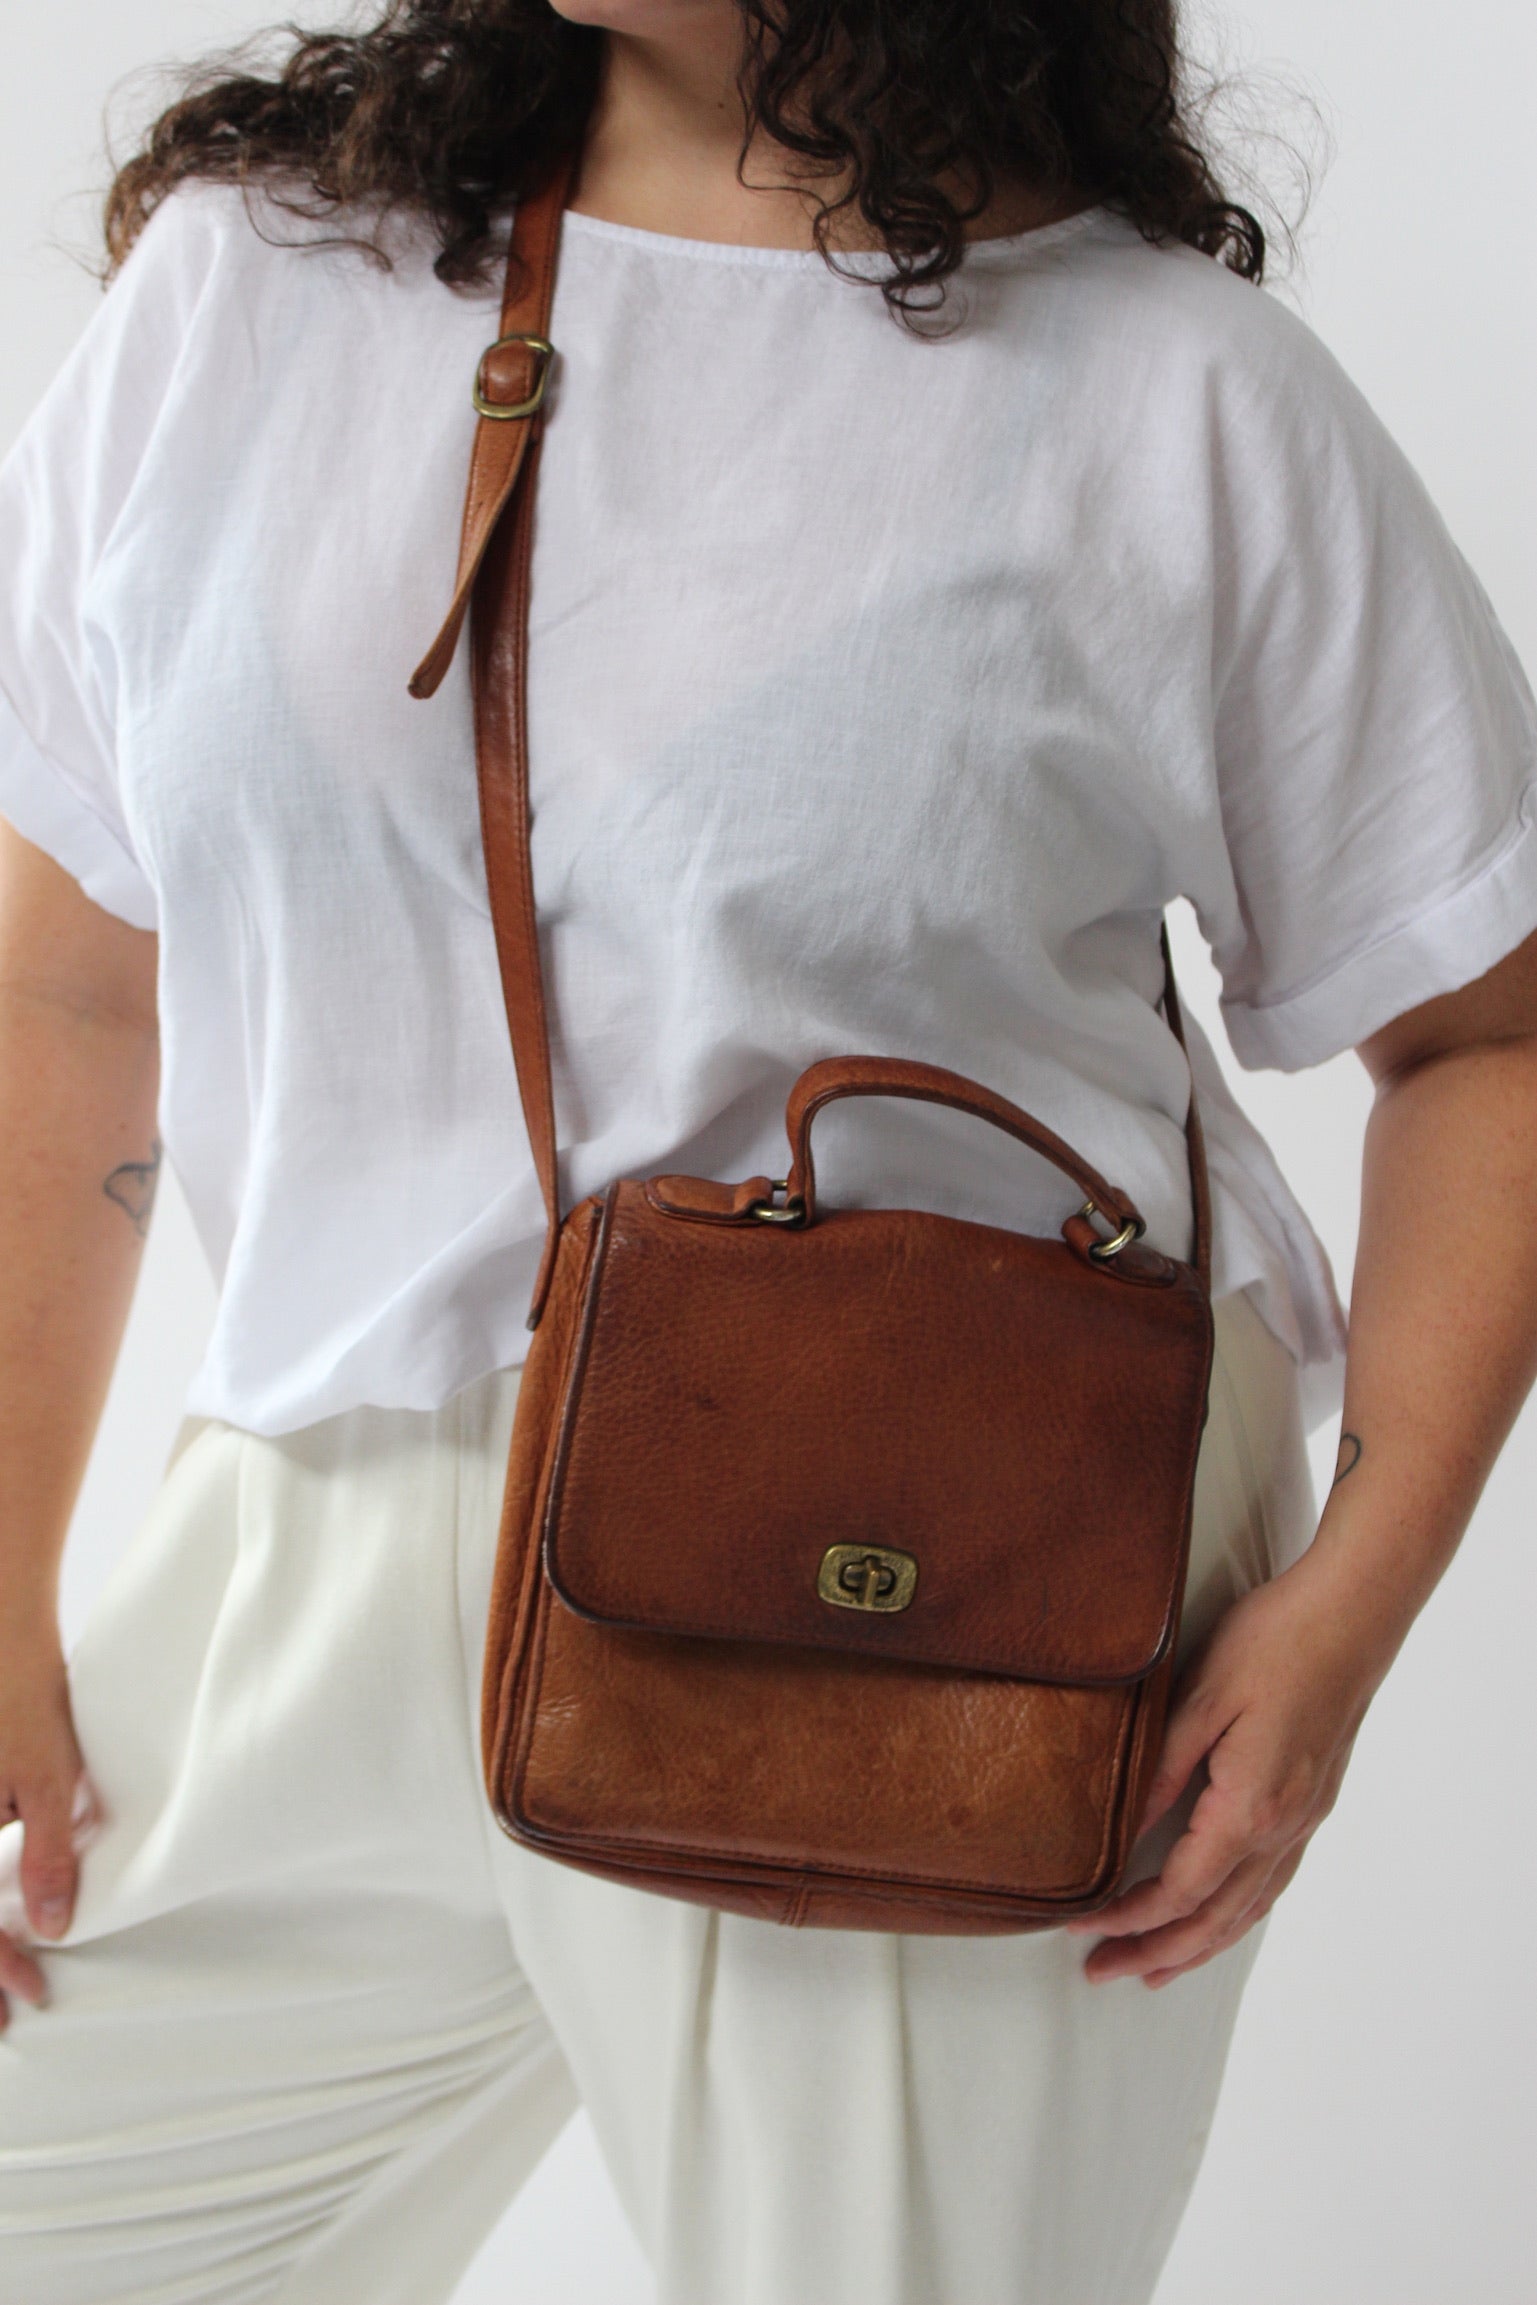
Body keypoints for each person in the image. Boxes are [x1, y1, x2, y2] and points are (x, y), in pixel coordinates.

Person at [1, 2, 1534, 2299]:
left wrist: (1351, 1606)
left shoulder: (1175, 393)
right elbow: (69, 982)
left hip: (924, 1575)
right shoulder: (252, 288)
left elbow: (1488, 1035)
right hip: (308, 1526)